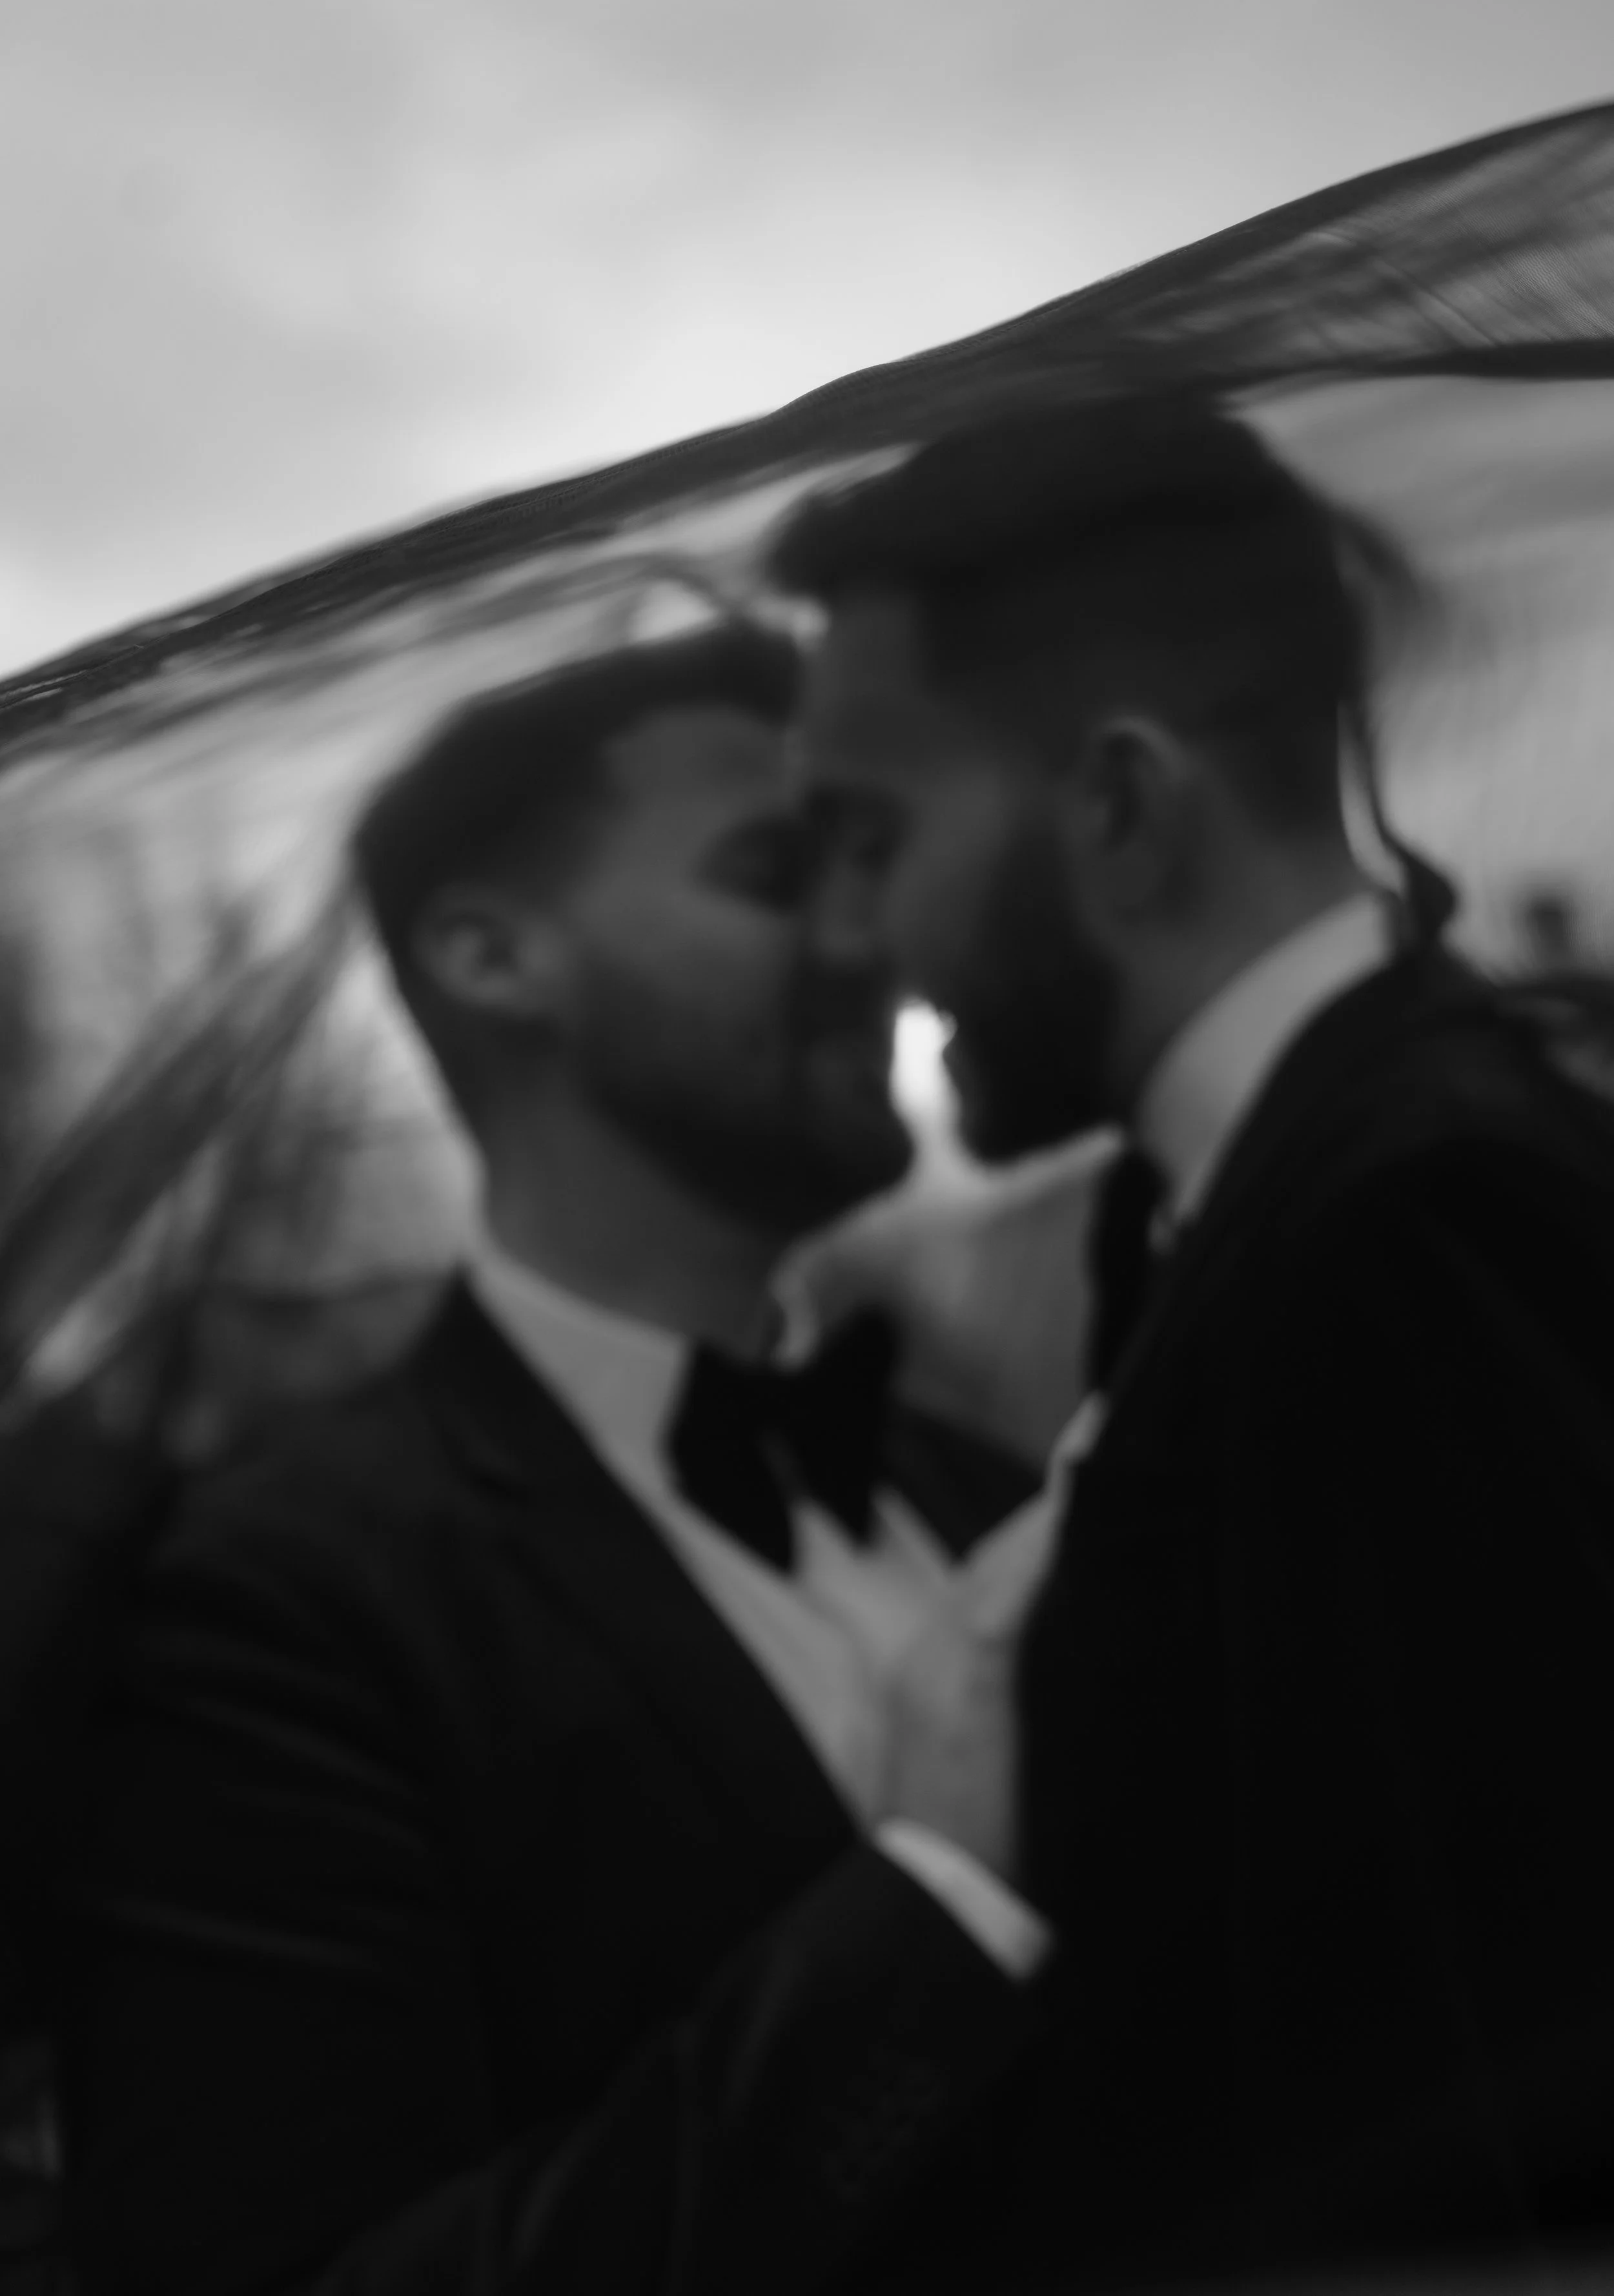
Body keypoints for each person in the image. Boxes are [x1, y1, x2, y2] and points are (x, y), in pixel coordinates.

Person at [56, 624, 1069, 2296]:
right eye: (773, 871)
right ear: (491, 957)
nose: (868, 933)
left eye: (864, 863)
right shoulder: (273, 1611)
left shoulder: (984, 1491)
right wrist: (933, 1911)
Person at [771, 397, 1614, 2288]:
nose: (852, 937)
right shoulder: (1252, 1195)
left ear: (1122, 807)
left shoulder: (1418, 1213)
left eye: (873, 837)